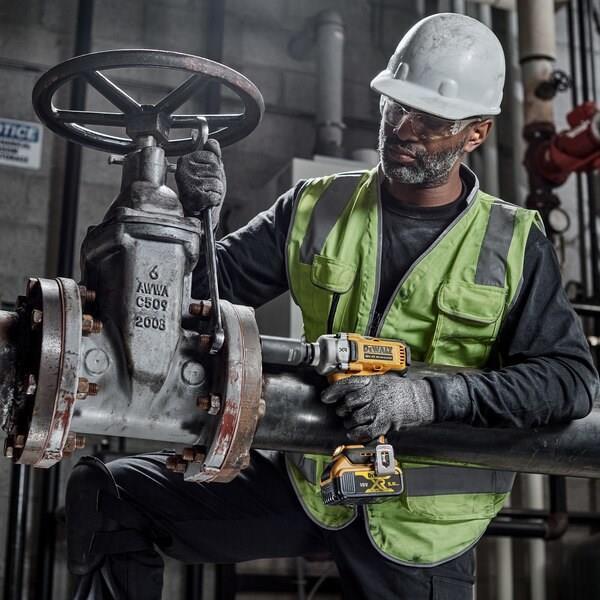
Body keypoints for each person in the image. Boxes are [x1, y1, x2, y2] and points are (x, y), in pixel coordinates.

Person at [66, 13, 598, 600]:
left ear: (477, 133)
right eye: (395, 106)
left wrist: (428, 397)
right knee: (112, 495)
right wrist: (187, 221)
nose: (403, 129)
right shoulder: (317, 206)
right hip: (314, 480)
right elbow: (186, 302)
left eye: (430, 119)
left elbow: (569, 381)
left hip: (421, 522)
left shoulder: (513, 242)